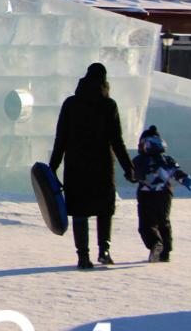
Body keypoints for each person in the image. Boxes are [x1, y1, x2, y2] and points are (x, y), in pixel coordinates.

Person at [49, 62, 136, 269]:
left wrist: (53, 167)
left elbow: (60, 138)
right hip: (102, 166)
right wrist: (128, 168)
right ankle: (104, 250)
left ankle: (83, 256)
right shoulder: (108, 105)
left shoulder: (70, 104)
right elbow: (117, 141)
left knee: (80, 212)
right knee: (104, 209)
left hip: (76, 167)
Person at [133, 126, 191, 262]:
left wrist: (134, 176)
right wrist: (185, 179)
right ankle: (165, 252)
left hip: (146, 196)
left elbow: (133, 176)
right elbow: (177, 171)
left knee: (146, 224)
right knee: (164, 222)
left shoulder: (139, 160)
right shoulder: (167, 159)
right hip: (165, 194)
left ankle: (155, 244)